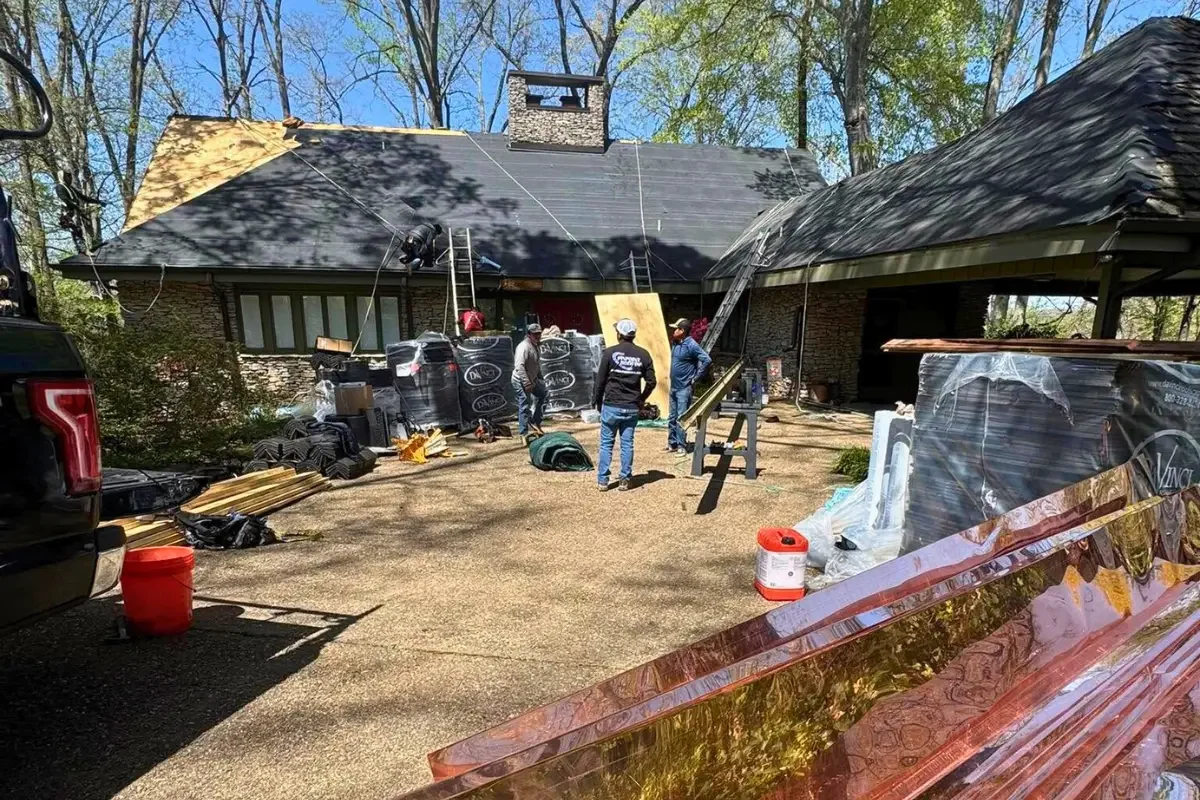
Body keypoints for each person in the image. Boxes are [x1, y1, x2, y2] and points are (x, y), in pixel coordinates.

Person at [593, 318, 657, 491]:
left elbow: (600, 381)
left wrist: (597, 402)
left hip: (612, 405)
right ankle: (624, 479)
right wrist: (642, 399)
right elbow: (652, 382)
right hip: (631, 407)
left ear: (619, 334)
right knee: (627, 444)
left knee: (607, 443)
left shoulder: (609, 353)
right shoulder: (643, 354)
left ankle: (603, 481)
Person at [666, 318, 712, 453]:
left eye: (676, 328)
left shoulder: (691, 345)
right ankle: (672, 443)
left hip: (684, 388)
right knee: (672, 417)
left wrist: (695, 378)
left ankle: (681, 445)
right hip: (673, 386)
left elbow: (706, 360)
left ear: (682, 331)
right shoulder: (675, 343)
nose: (674, 331)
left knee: (681, 417)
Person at [512, 323, 547, 438]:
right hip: (520, 380)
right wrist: (527, 383)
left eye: (539, 334)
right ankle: (523, 433)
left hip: (532, 379)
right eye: (535, 334)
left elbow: (535, 365)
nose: (538, 336)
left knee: (544, 395)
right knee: (524, 404)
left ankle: (535, 422)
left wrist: (540, 378)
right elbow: (519, 366)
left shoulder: (535, 345)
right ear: (529, 334)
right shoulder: (524, 347)